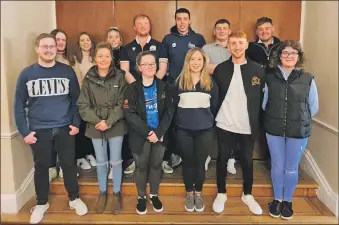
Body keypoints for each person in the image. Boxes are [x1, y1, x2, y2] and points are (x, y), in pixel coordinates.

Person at [14, 33, 88, 224]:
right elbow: (18, 106)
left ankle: (74, 198)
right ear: (37, 48)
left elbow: (76, 101)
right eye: (44, 46)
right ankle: (41, 203)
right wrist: (25, 132)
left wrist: (75, 123)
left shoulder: (67, 71)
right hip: (39, 130)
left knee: (69, 165)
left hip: (64, 128)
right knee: (40, 168)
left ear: (57, 49)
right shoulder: (27, 74)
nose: (49, 50)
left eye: (52, 46)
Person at [263, 40, 319, 220]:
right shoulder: (269, 77)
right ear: (279, 56)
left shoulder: (308, 79)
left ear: (298, 57)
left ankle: (288, 201)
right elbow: (265, 103)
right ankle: (277, 199)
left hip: (298, 130)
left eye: (293, 53)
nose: (289, 56)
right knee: (278, 167)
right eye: (285, 53)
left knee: (291, 168)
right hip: (274, 128)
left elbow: (313, 107)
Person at [212, 31, 264, 215]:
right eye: (233, 43)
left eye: (240, 43)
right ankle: (221, 192)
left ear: (246, 45)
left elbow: (263, 99)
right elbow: (214, 96)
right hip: (224, 122)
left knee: (247, 160)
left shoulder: (258, 69)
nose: (237, 47)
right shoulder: (220, 69)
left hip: (247, 124)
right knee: (222, 158)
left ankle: (247, 194)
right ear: (228, 46)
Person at [77, 43, 127, 214]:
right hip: (95, 125)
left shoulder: (120, 76)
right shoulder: (88, 78)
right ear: (95, 58)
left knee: (116, 160)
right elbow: (83, 105)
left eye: (107, 56)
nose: (104, 59)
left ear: (111, 58)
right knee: (100, 161)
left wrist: (109, 121)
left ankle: (117, 193)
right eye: (100, 56)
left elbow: (122, 103)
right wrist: (99, 121)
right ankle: (103, 192)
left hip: (116, 123)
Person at [123, 51, 174, 215]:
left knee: (156, 164)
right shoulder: (132, 88)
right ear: (139, 67)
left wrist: (158, 132)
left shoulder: (164, 86)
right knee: (142, 166)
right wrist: (148, 132)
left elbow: (169, 112)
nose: (150, 66)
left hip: (160, 135)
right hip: (141, 135)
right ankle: (141, 197)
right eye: (146, 64)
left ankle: (154, 194)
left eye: (153, 63)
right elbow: (129, 114)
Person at [120, 14, 171, 174]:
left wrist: (151, 84)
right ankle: (137, 160)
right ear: (134, 27)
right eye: (139, 23)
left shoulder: (159, 46)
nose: (142, 26)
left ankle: (162, 159)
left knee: (159, 120)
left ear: (150, 26)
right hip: (134, 91)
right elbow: (124, 71)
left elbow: (162, 69)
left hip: (156, 88)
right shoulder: (126, 48)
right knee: (137, 124)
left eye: (146, 23)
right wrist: (138, 87)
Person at [174, 48, 218, 212]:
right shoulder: (179, 82)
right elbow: (173, 108)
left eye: (199, 59)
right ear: (187, 61)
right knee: (188, 162)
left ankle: (198, 193)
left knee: (200, 163)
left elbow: (215, 106)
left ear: (204, 62)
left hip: (204, 130)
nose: (196, 62)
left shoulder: (210, 83)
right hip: (183, 131)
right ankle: (189, 193)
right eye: (193, 59)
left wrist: (205, 121)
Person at [162, 8, 206, 172]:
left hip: (194, 87)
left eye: (185, 19)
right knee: (173, 121)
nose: (182, 22)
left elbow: (203, 62)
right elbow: (164, 64)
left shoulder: (198, 38)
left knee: (192, 120)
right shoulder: (167, 39)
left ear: (189, 20)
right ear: (175, 20)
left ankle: (193, 155)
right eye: (179, 19)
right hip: (174, 87)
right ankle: (173, 154)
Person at [246, 17, 282, 170]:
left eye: (267, 28)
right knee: (253, 124)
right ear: (256, 32)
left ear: (272, 28)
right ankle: (245, 157)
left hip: (276, 92)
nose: (264, 32)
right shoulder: (250, 47)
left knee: (273, 124)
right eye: (260, 29)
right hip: (255, 91)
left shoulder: (282, 47)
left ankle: (271, 159)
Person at [202, 18, 234, 172]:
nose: (221, 31)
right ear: (214, 31)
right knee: (210, 125)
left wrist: (216, 68)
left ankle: (231, 158)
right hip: (212, 92)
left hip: (233, 93)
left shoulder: (234, 46)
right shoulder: (206, 48)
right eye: (219, 28)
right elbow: (205, 68)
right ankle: (207, 155)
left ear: (229, 31)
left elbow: (238, 67)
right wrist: (228, 68)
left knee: (231, 127)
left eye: (224, 28)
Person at [48, 28, 79, 179]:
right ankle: (53, 167)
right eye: (57, 39)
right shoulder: (47, 60)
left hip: (69, 106)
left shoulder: (70, 60)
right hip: (52, 109)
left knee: (67, 140)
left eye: (63, 40)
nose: (60, 42)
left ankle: (66, 168)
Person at [106, 26, 128, 179]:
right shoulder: (103, 55)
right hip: (106, 98)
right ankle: (109, 162)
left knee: (121, 130)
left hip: (122, 95)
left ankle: (121, 162)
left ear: (121, 40)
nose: (114, 39)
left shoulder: (126, 53)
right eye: (110, 37)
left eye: (116, 37)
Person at [73, 32, 96, 170]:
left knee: (92, 129)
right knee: (81, 128)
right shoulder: (75, 59)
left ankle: (90, 153)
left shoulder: (96, 58)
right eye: (82, 40)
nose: (86, 42)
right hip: (82, 99)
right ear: (78, 43)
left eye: (88, 39)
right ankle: (81, 156)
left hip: (96, 100)